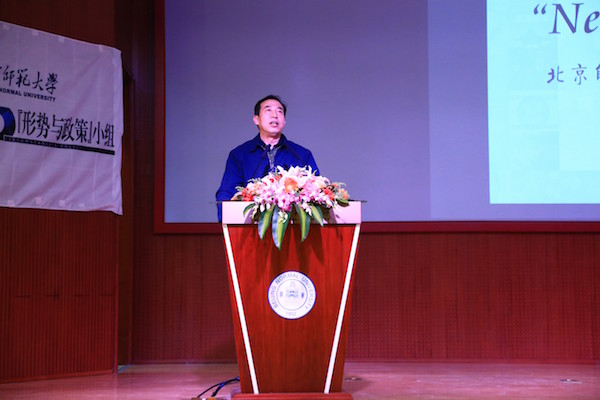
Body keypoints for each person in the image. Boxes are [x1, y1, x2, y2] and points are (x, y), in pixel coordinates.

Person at [216, 94, 319, 221]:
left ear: (284, 121)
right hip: (251, 226)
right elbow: (227, 192)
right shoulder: (239, 155)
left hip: (293, 226)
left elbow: (315, 192)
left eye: (279, 111)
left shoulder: (302, 155)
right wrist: (226, 219)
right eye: (268, 110)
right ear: (256, 119)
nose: (274, 115)